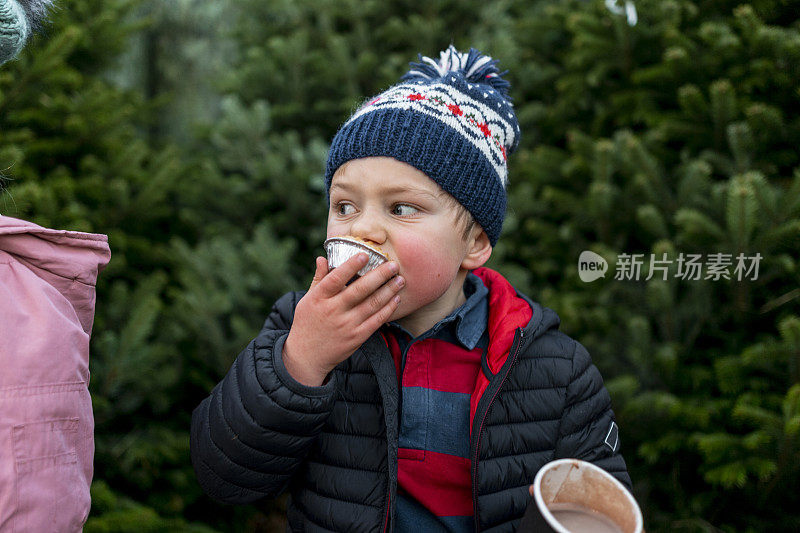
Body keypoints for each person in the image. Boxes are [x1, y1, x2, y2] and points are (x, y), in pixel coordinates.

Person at [190, 45, 631, 531]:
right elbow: (225, 477)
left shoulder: (553, 368)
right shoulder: (301, 328)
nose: (364, 230)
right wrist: (302, 361)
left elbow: (599, 503)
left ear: (475, 243)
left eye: (401, 208)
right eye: (345, 207)